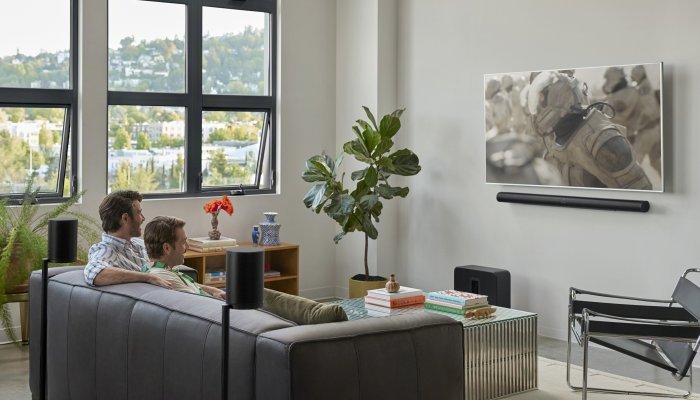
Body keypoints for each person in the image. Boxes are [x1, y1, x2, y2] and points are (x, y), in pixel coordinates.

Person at [526, 70, 651, 189]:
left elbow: (639, 191)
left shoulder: (601, 139)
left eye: (544, 97)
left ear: (560, 95)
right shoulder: (554, 135)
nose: (540, 107)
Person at [84, 190, 171, 288]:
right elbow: (94, 273)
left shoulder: (138, 243)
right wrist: (148, 277)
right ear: (125, 218)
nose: (143, 218)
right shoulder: (107, 250)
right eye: (139, 213)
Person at [143, 216, 226, 299]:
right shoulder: (164, 277)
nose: (187, 247)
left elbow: (191, 284)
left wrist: (214, 290)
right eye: (183, 242)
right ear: (167, 248)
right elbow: (199, 302)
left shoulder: (160, 269)